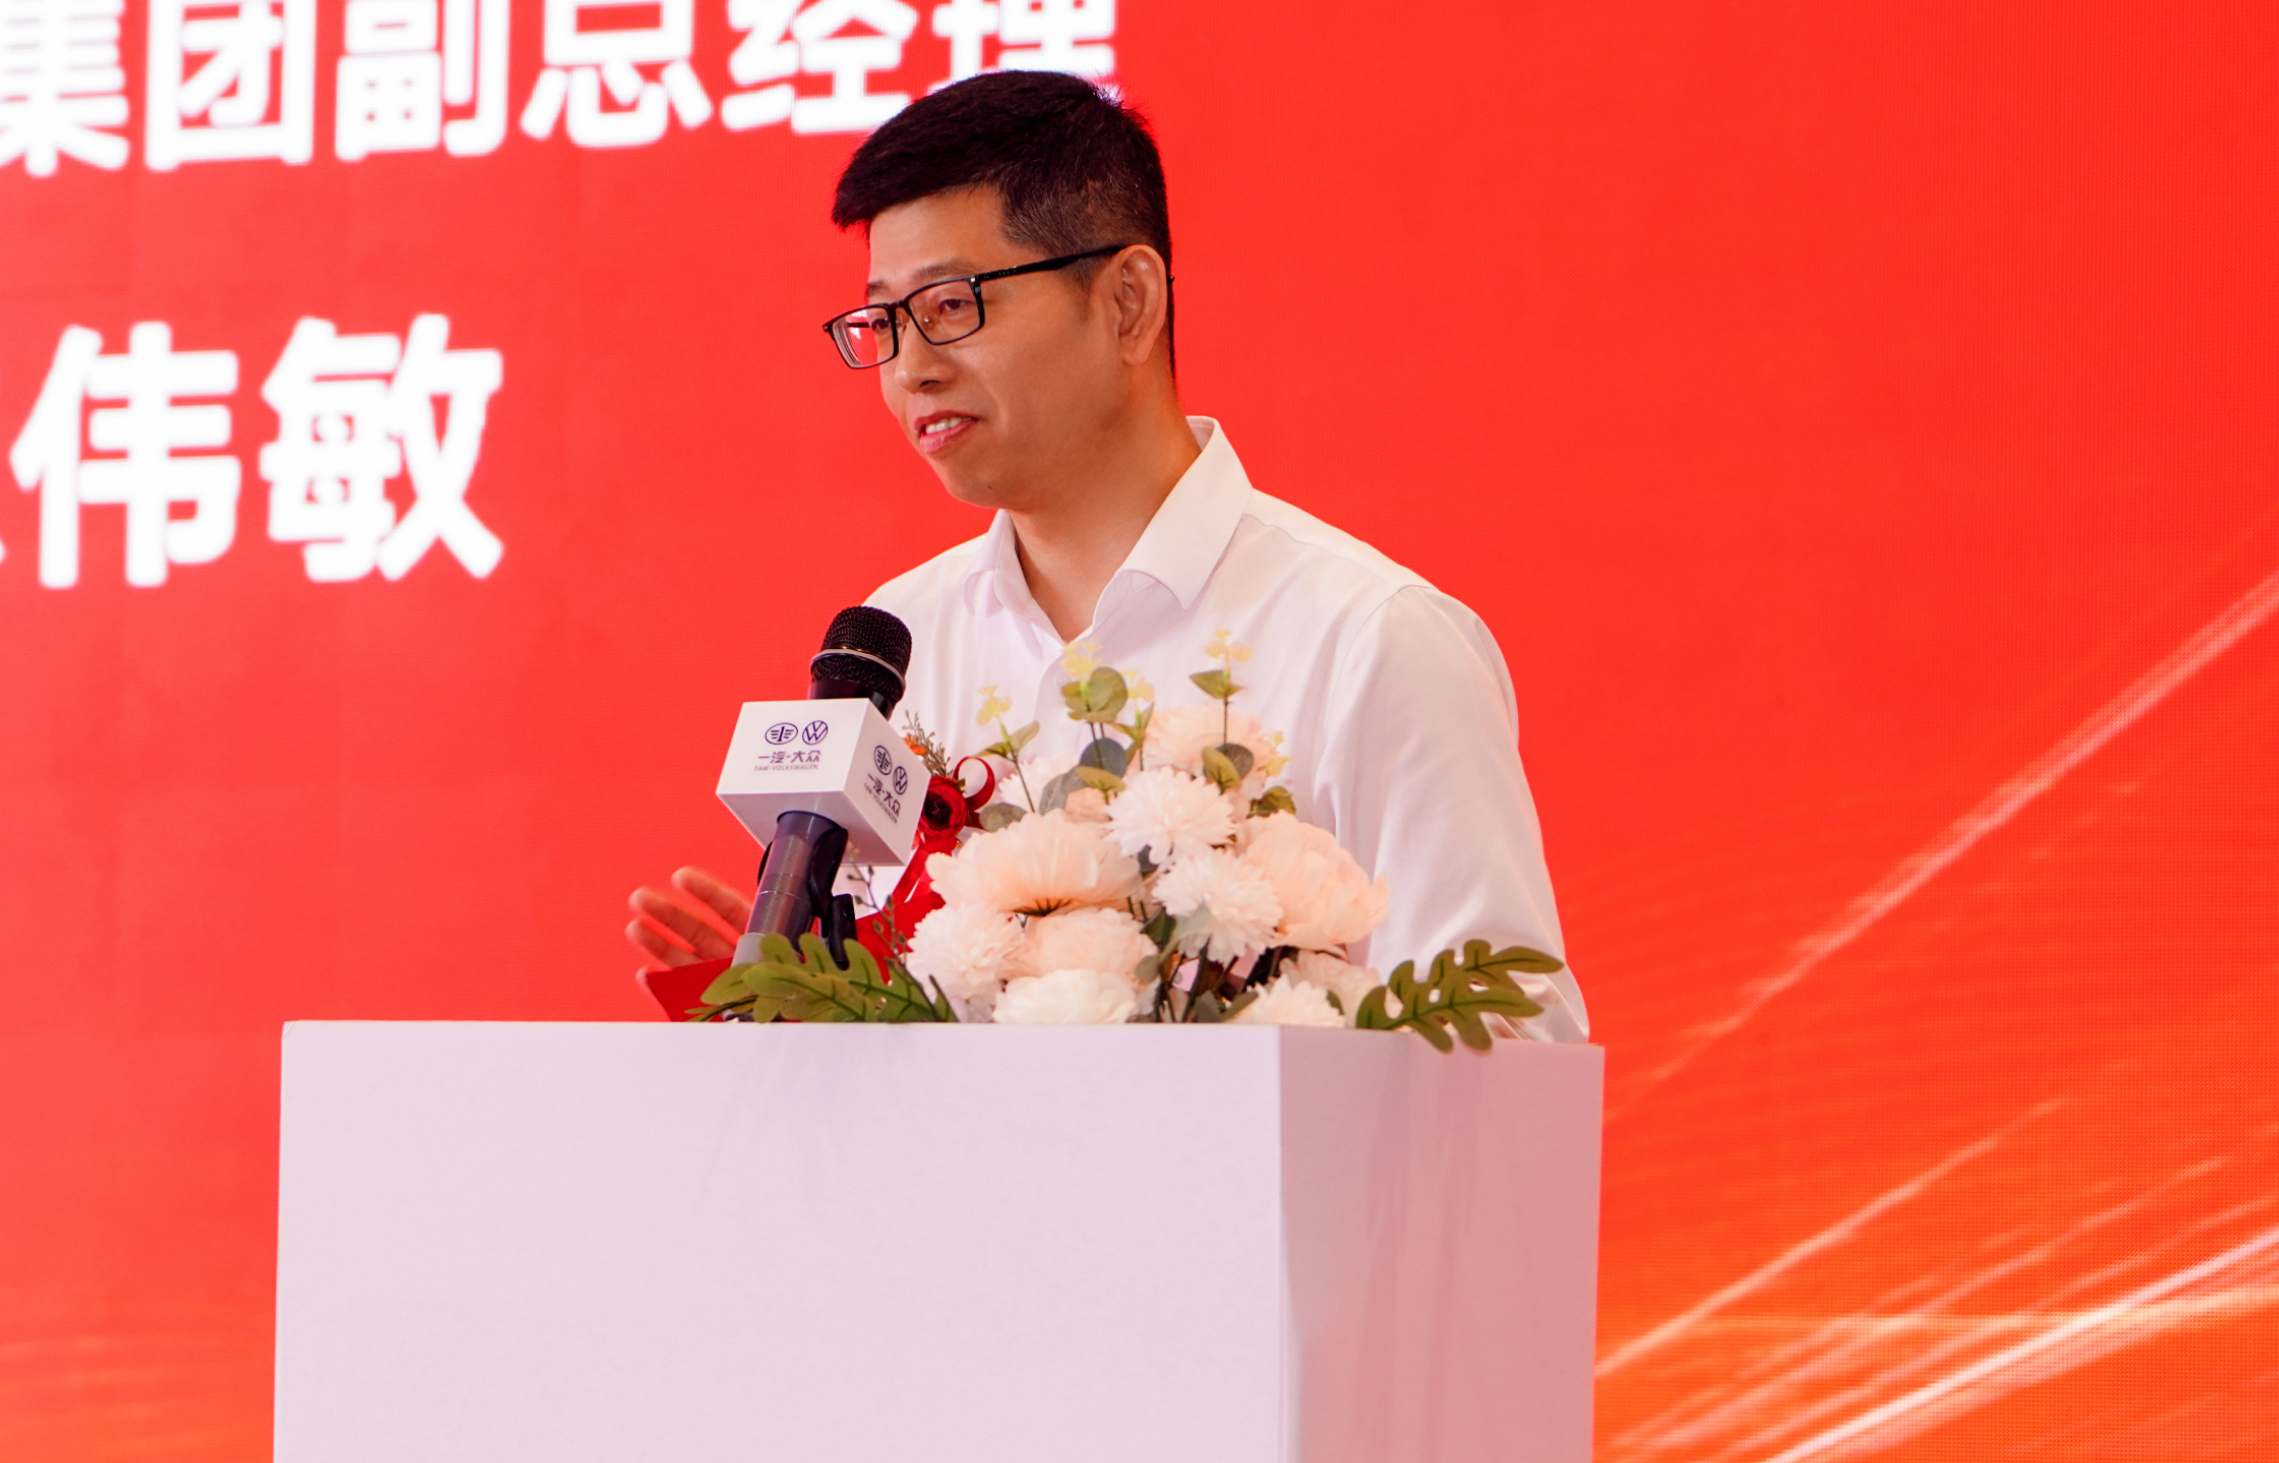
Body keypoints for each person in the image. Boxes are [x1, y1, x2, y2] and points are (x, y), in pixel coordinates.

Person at [621, 70, 1585, 1036]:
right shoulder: (901, 642)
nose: (911, 367)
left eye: (950, 305)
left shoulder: (1370, 640)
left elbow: (1508, 1044)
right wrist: (812, 1012)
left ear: (1129, 300)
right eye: (883, 321)